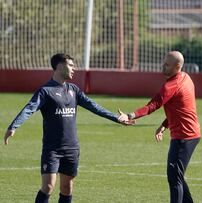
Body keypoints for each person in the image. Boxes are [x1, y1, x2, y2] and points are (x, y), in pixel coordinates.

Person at [3, 53, 129, 203]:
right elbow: (29, 108)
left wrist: (115, 117)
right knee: (48, 186)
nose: (74, 69)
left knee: (67, 188)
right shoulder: (45, 91)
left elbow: (93, 106)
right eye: (71, 65)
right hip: (52, 149)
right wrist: (14, 126)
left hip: (71, 148)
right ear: (60, 66)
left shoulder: (73, 90)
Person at [120, 51, 201, 203]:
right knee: (177, 176)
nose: (163, 66)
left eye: (167, 64)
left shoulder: (171, 85)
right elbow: (181, 108)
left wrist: (130, 116)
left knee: (174, 177)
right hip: (191, 134)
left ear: (177, 66)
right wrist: (165, 125)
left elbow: (153, 105)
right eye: (164, 62)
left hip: (184, 137)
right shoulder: (186, 78)